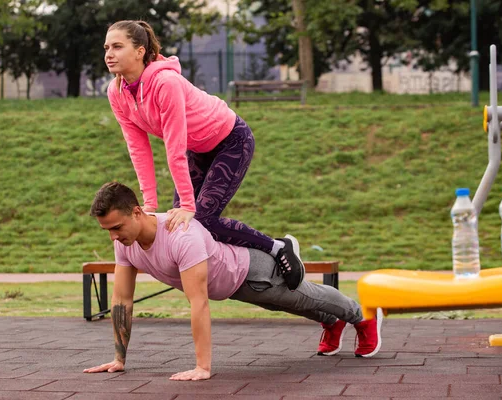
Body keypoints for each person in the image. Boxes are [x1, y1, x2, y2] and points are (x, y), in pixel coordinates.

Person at [83, 182, 383, 381]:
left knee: (304, 297)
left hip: (252, 271)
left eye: (117, 227)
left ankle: (363, 316)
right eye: (107, 230)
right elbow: (122, 299)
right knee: (286, 306)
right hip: (231, 286)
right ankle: (332, 321)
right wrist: (118, 359)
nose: (113, 236)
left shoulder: (179, 235)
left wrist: (203, 367)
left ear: (138, 212)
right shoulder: (124, 242)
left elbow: (198, 302)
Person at [103, 20, 304, 290]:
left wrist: (188, 204)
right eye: (106, 47)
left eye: (117, 46)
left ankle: (279, 247)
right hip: (197, 148)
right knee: (182, 227)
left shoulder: (166, 82)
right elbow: (137, 147)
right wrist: (149, 203)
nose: (109, 54)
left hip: (231, 140)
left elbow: (174, 146)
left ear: (140, 51)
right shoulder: (116, 92)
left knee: (202, 219)